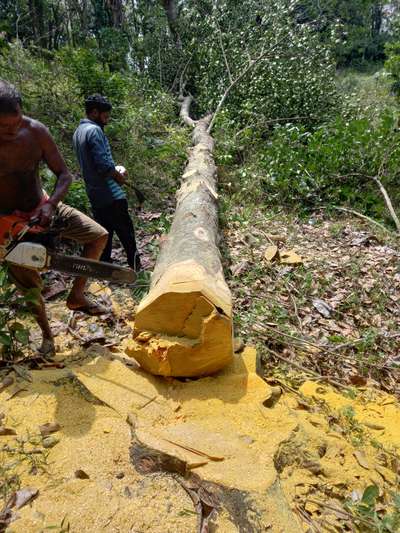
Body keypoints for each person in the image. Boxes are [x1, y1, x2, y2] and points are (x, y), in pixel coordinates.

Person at [0, 79, 110, 357]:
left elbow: (64, 174)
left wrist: (50, 205)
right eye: (4, 127)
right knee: (31, 286)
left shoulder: (36, 132)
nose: (12, 131)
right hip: (6, 225)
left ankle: (77, 295)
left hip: (42, 206)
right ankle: (47, 337)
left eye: (16, 123)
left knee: (98, 235)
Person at [73, 94, 141, 272]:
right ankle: (136, 269)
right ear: (94, 112)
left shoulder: (78, 132)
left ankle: (104, 268)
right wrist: (119, 176)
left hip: (95, 193)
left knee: (105, 232)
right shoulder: (94, 131)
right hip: (110, 193)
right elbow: (103, 165)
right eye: (105, 115)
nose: (107, 119)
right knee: (126, 231)